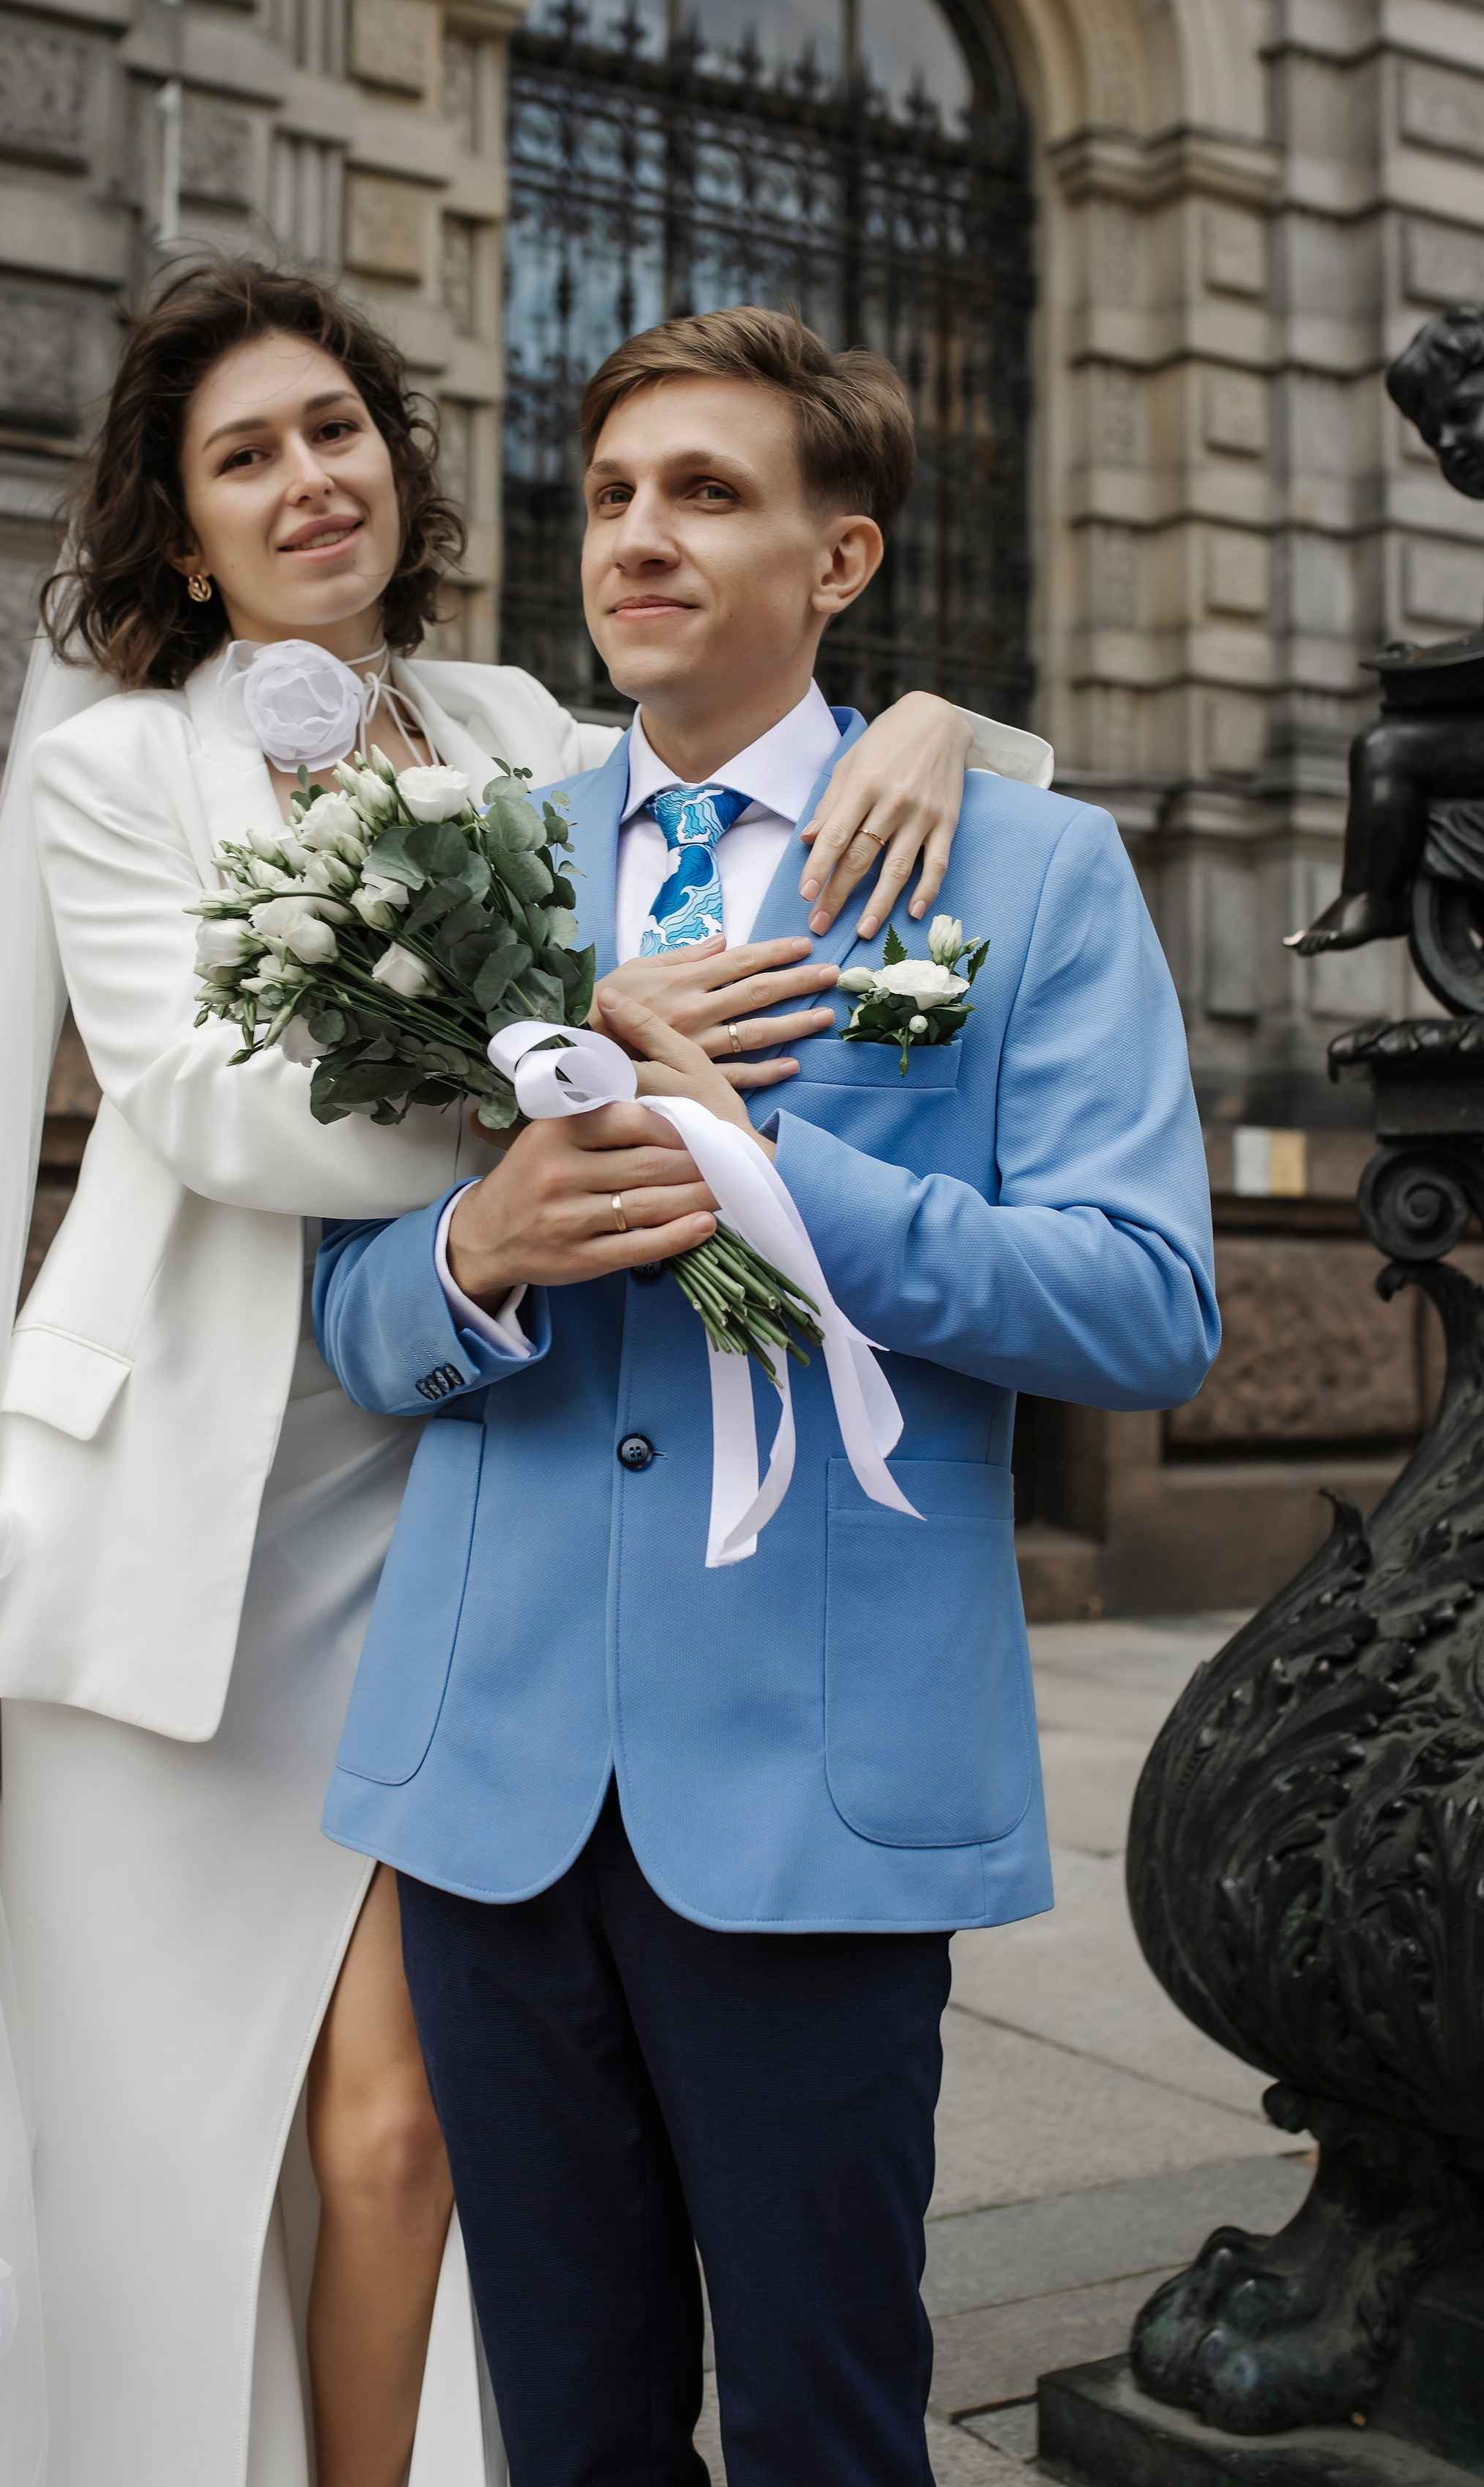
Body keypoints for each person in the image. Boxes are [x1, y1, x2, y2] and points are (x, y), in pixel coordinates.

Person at [0, 260, 1048, 2487]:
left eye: (339, 429)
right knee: (174, 2146)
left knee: (405, 2138)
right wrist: (547, 1080)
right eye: (246, 454)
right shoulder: (118, 768)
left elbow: (759, 748)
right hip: (185, 1537)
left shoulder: (507, 727)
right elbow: (206, 1103)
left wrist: (945, 719)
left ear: (400, 460)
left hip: (454, 1510)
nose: (309, 479)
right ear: (184, 529)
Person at [312, 305, 1221, 2487]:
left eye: (707, 493)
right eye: (613, 494)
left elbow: (1151, 1308)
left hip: (819, 1783)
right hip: (495, 1771)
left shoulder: (1023, 870)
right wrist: (477, 1253)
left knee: (826, 2415)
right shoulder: (475, 865)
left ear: (843, 560)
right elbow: (348, 1319)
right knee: (568, 2418)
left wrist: (778, 1171)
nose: (638, 537)